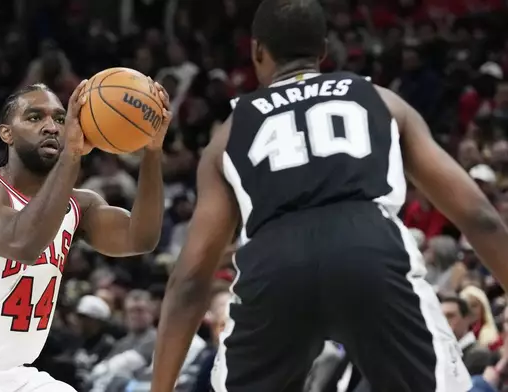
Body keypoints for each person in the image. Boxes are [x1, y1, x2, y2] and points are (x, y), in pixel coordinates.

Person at [149, 0, 508, 391]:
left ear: (256, 50)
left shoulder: (228, 135)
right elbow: (481, 218)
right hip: (368, 246)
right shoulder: (383, 101)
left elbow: (190, 280)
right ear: (323, 51)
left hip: (273, 262)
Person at [0, 79, 172, 392]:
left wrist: (152, 150)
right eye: (35, 117)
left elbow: (141, 238)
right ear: (6, 133)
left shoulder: (80, 205)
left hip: (12, 374)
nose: (51, 126)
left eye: (60, 119)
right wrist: (72, 156)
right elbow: (22, 243)